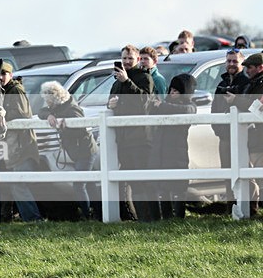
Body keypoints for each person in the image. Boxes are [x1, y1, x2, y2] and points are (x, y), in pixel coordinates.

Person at [38, 80, 98, 220]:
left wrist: (64, 126)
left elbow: (80, 129)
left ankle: (86, 214)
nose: (47, 104)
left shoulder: (72, 109)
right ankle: (97, 212)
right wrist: (49, 115)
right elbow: (41, 112)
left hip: (85, 151)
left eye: (49, 101)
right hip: (76, 152)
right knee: (89, 184)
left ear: (54, 98)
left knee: (79, 184)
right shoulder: (58, 107)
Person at [108, 44, 154, 221]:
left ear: (137, 59)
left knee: (142, 181)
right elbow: (111, 102)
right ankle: (135, 218)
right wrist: (110, 104)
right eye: (124, 59)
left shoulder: (144, 78)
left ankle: (149, 218)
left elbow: (144, 103)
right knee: (128, 181)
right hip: (123, 138)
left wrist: (127, 81)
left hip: (141, 138)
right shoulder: (116, 82)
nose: (126, 62)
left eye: (130, 59)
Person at [149, 74, 197, 219]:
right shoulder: (165, 106)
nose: (171, 93)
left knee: (178, 186)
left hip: (177, 153)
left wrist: (161, 106)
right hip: (161, 152)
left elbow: (188, 111)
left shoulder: (188, 106)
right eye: (171, 90)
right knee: (163, 186)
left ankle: (178, 216)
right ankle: (167, 217)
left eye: (176, 91)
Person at [0, 63, 42, 222]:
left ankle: (33, 219)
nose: (0, 77)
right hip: (11, 146)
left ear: (10, 74)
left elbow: (23, 115)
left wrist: (1, 115)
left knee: (18, 184)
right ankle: (15, 217)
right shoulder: (4, 91)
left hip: (22, 145)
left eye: (4, 74)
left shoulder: (16, 90)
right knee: (13, 184)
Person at [211, 48, 250, 207]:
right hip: (225, 136)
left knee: (244, 172)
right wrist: (218, 129)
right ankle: (230, 206)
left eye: (235, 61)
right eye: (229, 61)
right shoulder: (221, 84)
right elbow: (214, 108)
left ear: (242, 63)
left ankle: (246, 207)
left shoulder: (247, 83)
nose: (231, 64)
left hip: (243, 137)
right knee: (227, 171)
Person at [238, 52, 263, 215]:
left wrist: (235, 100)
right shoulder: (252, 83)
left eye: (250, 67)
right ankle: (252, 210)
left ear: (260, 67)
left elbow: (256, 107)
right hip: (252, 137)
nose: (247, 70)